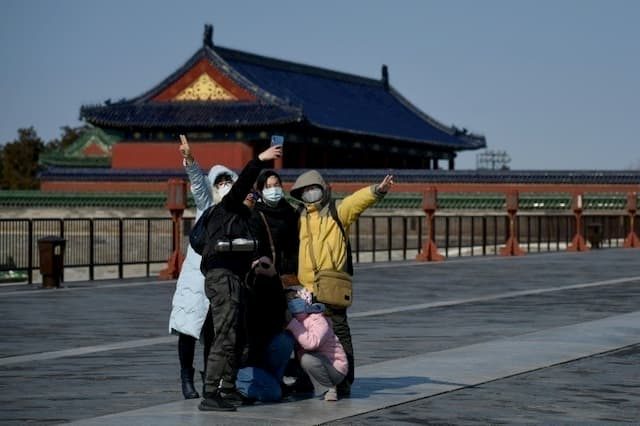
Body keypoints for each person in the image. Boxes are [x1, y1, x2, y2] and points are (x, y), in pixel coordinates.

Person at [289, 170, 394, 397]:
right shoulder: (299, 216)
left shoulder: (337, 212)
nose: (310, 193)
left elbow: (356, 202)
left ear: (323, 188)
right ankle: (305, 380)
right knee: (303, 336)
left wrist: (377, 190)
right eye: (304, 190)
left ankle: (345, 380)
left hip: (331, 284)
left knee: (339, 331)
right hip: (306, 289)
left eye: (313, 188)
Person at [198, 144, 282, 412]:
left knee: (235, 337)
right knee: (224, 335)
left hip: (237, 280)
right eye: (248, 191)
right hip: (222, 278)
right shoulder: (227, 209)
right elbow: (244, 181)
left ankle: (230, 388)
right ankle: (211, 392)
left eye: (253, 194)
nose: (251, 195)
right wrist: (259, 159)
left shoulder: (245, 220)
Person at [169, 135, 237, 399]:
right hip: (197, 280)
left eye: (228, 181)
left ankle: (210, 377)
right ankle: (186, 375)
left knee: (214, 332)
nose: (224, 186)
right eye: (219, 182)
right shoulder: (206, 206)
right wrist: (190, 159)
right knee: (188, 331)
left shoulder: (237, 214)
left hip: (222, 280)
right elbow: (198, 184)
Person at [233, 170, 300, 402]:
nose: (275, 189)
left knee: (287, 335)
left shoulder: (291, 213)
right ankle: (237, 382)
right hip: (265, 278)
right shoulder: (255, 216)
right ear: (260, 190)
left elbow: (296, 248)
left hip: (289, 281)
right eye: (269, 185)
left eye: (277, 184)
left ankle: (277, 378)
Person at [285, 287, 348, 401]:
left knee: (306, 359)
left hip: (335, 368)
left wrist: (293, 324)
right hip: (320, 362)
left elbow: (311, 343)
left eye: (292, 301)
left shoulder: (317, 319)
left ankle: (329, 388)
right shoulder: (299, 321)